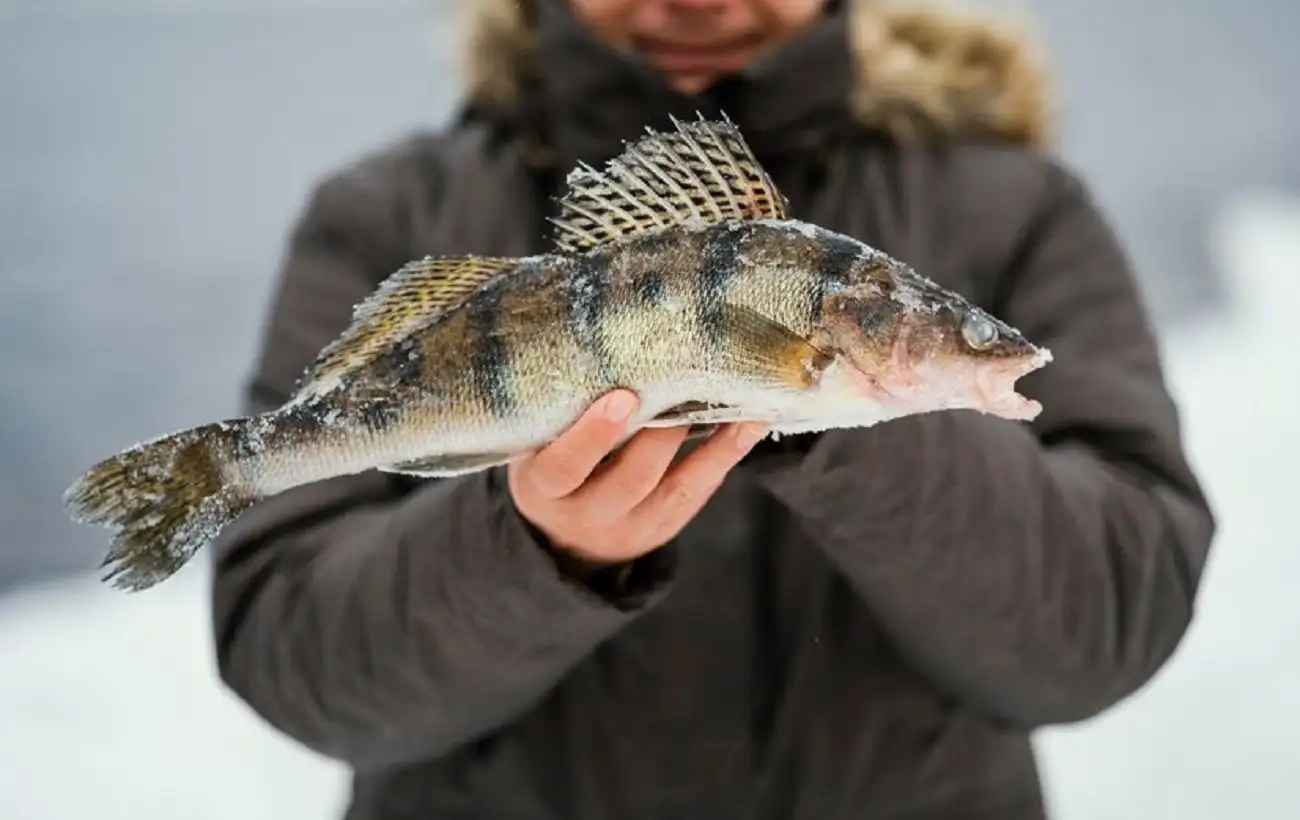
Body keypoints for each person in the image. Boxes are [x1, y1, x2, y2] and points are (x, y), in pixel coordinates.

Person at [210, 1, 1216, 818]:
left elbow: (1106, 622)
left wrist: (838, 426)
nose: (695, 0)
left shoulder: (1022, 212)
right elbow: (289, 650)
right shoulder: (385, 213)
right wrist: (530, 549)